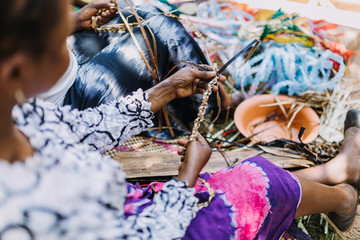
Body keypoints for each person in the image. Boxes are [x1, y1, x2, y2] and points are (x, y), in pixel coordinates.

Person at [0, 0, 358, 239]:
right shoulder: (23, 210)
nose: (69, 36)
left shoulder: (18, 115)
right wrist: (186, 179)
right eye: (57, 36)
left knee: (222, 179)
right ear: (18, 69)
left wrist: (166, 91)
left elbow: (80, 130)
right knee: (257, 182)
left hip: (123, 205)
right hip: (151, 226)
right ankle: (343, 197)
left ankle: (336, 176)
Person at [38, 0, 234, 138]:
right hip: (65, 106)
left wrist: (75, 21)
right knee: (165, 29)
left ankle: (208, 96)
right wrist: (168, 89)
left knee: (148, 11)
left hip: (58, 61)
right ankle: (211, 106)